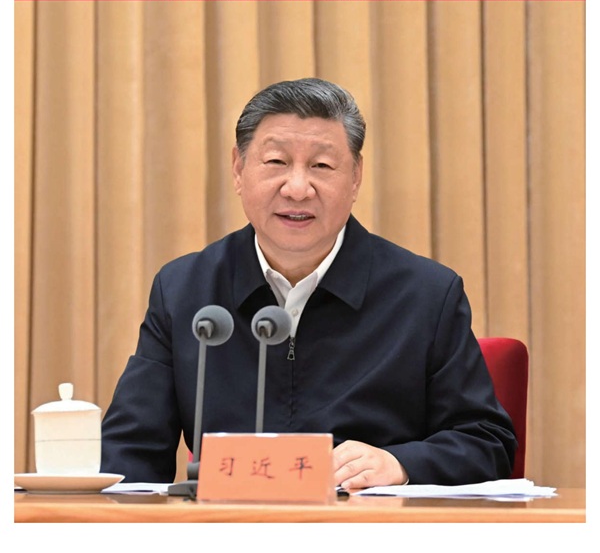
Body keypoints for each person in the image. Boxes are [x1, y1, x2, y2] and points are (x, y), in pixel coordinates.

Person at [100, 77, 516, 488]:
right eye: (276, 162)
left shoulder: (426, 294)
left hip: (368, 523)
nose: (297, 189)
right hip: (229, 523)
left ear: (355, 177)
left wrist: (400, 463)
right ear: (239, 169)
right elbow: (128, 450)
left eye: (321, 166)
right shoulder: (185, 290)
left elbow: (486, 442)